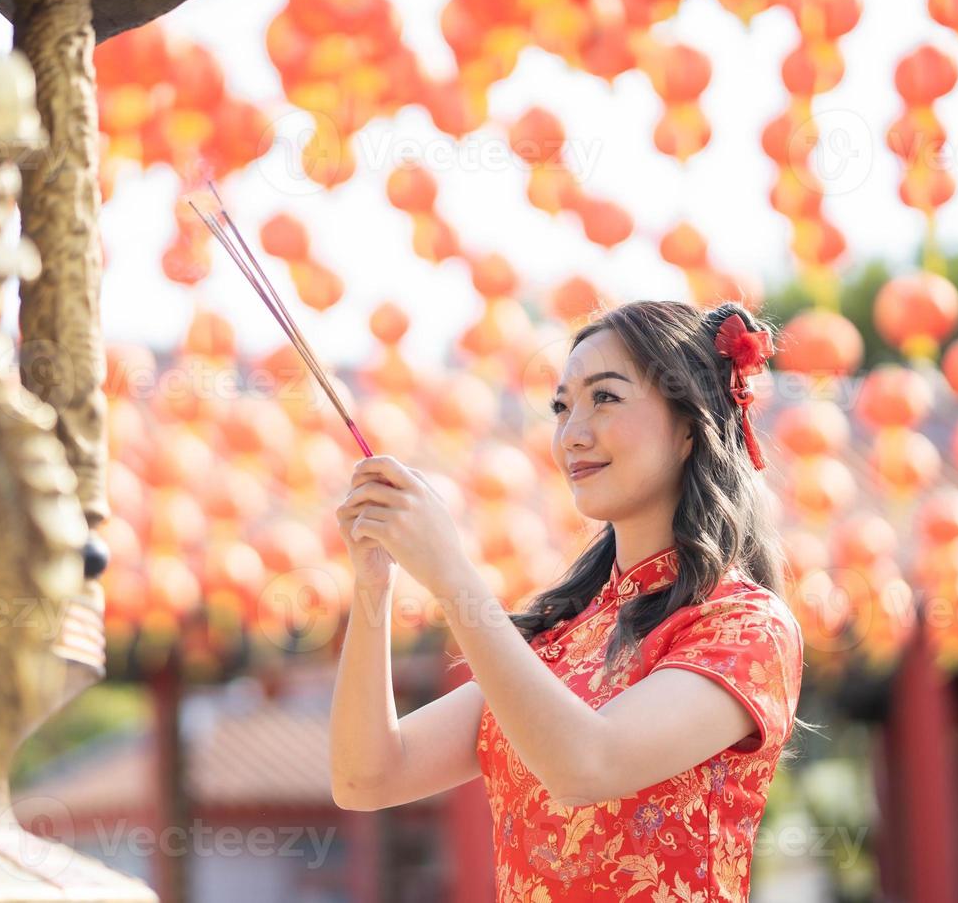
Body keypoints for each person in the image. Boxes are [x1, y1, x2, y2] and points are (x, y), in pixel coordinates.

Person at [329, 299, 806, 902]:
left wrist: (451, 572)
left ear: (689, 424)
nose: (572, 434)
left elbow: (587, 767)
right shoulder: (562, 638)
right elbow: (365, 776)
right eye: (561, 406)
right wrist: (374, 583)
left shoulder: (743, 626)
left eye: (604, 397)